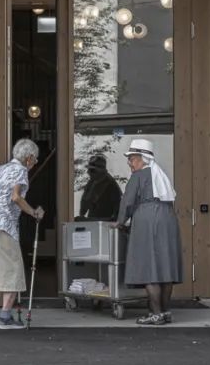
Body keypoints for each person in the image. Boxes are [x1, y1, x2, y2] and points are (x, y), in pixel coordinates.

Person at [0, 137, 44, 329]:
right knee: (13, 269)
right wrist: (34, 213)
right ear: (29, 158)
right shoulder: (21, 170)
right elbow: (15, 197)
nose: (35, 163)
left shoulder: (1, 169)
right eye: (35, 159)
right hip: (3, 225)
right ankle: (5, 317)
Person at [115, 137, 183, 327]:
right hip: (168, 219)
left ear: (141, 159)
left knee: (149, 268)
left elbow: (128, 202)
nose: (129, 163)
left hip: (148, 219)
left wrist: (120, 222)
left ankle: (156, 314)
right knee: (165, 268)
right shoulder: (160, 175)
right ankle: (166, 312)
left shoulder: (139, 176)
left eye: (132, 159)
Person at [78, 152, 122, 221]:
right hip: (92, 222)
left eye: (92, 170)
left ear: (101, 171)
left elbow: (116, 216)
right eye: (89, 170)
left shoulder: (111, 186)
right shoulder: (91, 183)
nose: (88, 172)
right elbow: (83, 208)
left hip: (104, 224)